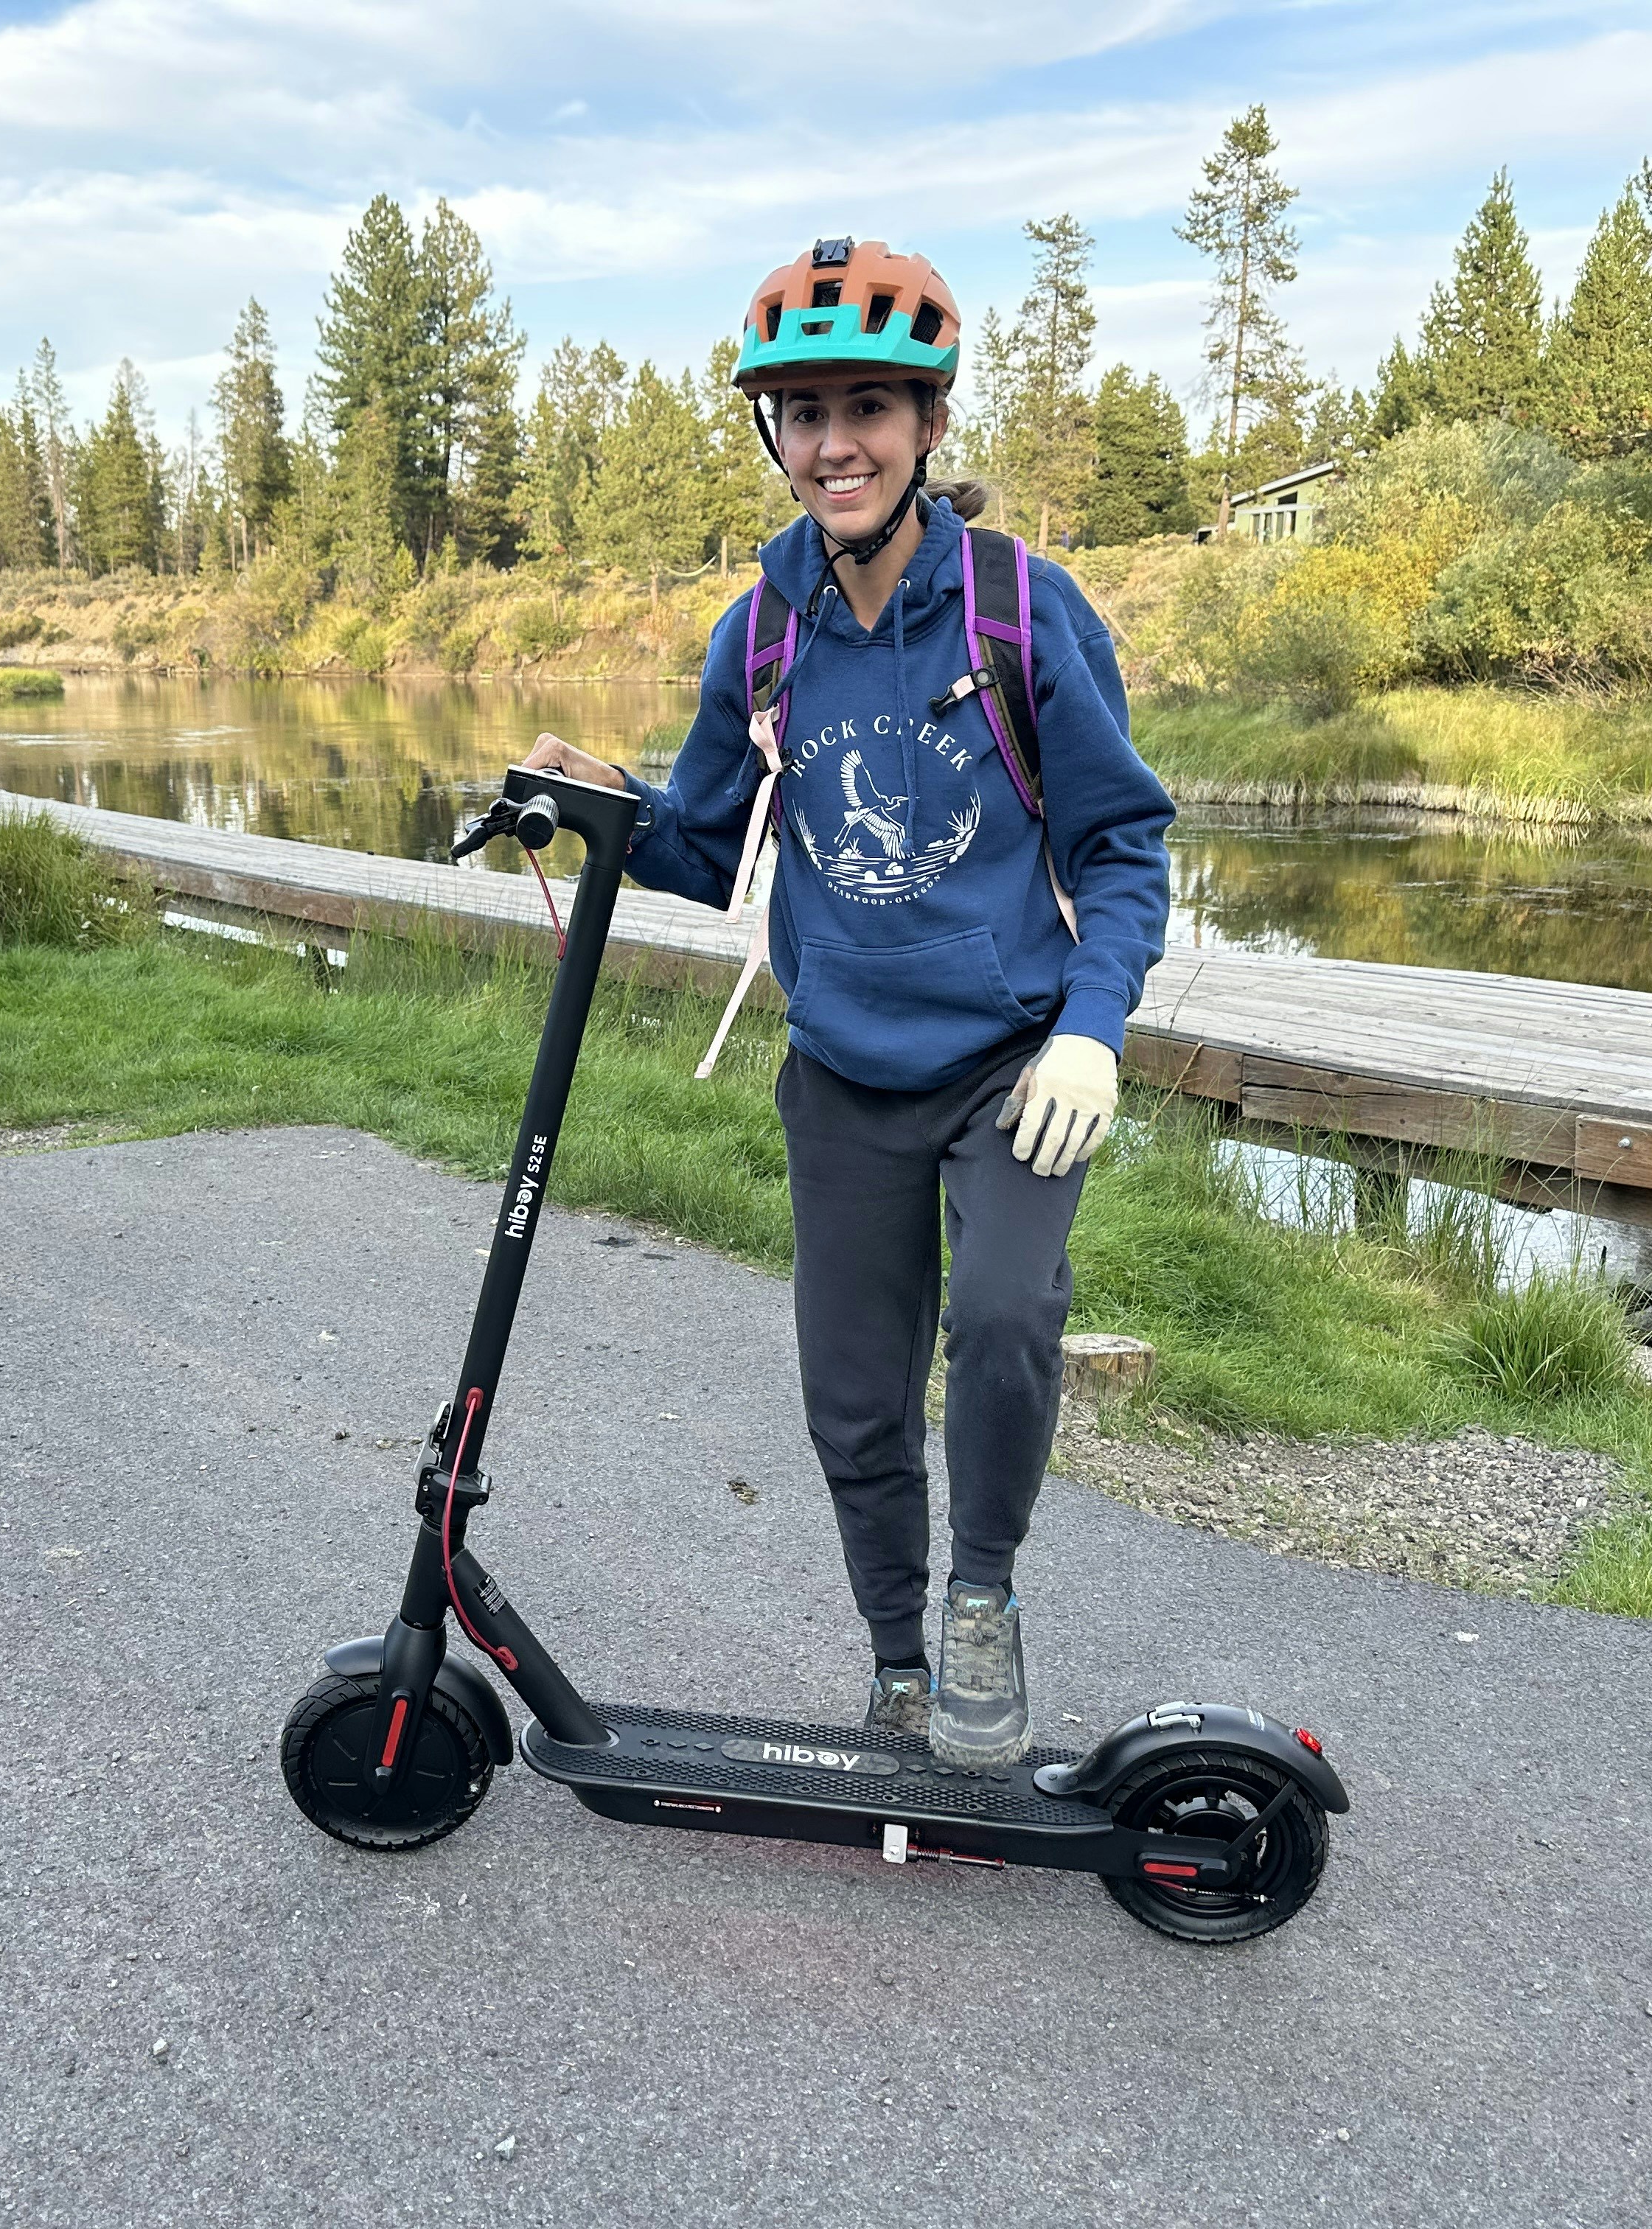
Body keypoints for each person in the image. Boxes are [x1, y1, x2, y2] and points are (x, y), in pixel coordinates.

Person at [523, 238, 1176, 1766]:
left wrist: (1092, 1025)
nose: (836, 445)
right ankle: (897, 1663)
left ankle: (982, 1606)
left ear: (932, 422)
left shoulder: (1021, 613)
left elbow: (1123, 842)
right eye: (804, 412)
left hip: (1012, 1065)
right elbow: (701, 844)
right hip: (841, 1073)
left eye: (870, 407)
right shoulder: (757, 632)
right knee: (853, 1400)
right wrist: (598, 803)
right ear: (774, 430)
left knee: (1008, 1323)